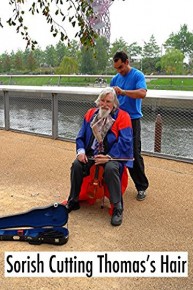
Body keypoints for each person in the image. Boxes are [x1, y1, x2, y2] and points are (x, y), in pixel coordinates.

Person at [66, 87, 133, 226]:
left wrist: (109, 156)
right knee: (77, 165)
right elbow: (81, 136)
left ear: (114, 103)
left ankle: (117, 208)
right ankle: (73, 200)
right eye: (102, 100)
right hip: (91, 154)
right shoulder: (90, 113)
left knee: (110, 169)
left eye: (108, 101)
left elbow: (126, 142)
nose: (104, 104)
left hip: (112, 156)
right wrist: (81, 151)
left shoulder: (123, 117)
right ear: (98, 101)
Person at [110, 51, 149, 201]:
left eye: (120, 67)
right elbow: (110, 98)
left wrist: (124, 92)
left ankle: (141, 187)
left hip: (132, 120)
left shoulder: (138, 75)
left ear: (127, 62)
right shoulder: (115, 78)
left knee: (133, 153)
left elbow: (142, 93)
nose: (119, 71)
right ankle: (115, 184)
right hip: (117, 119)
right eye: (116, 68)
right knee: (114, 149)